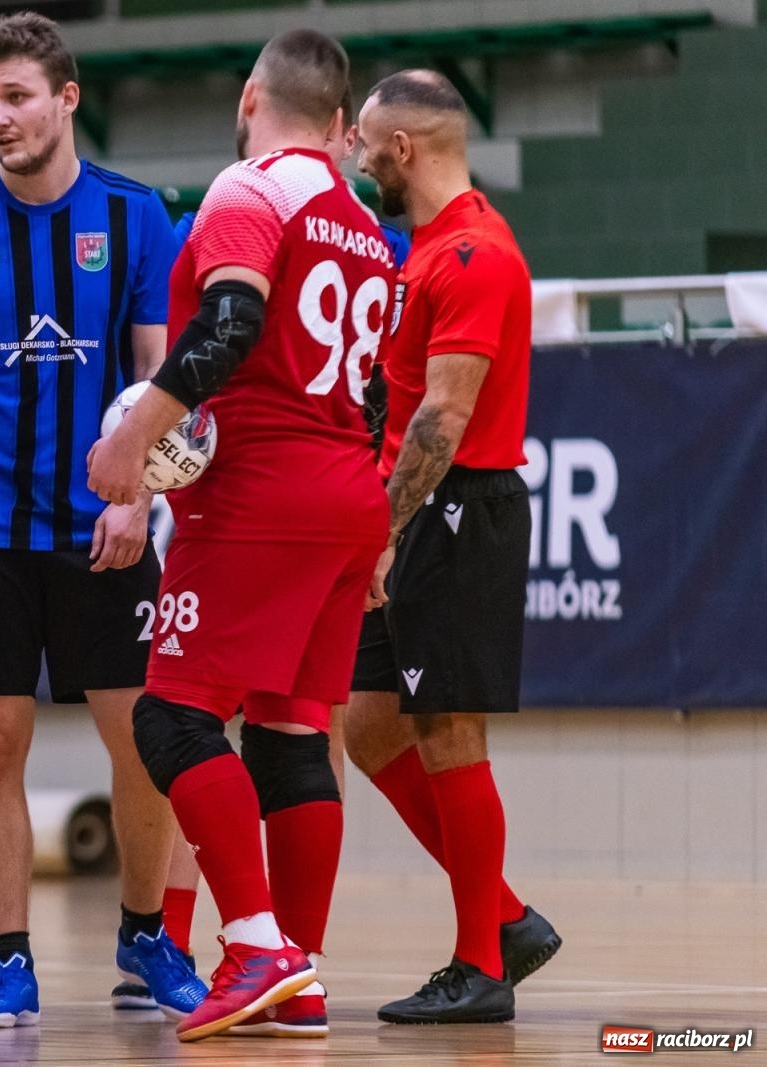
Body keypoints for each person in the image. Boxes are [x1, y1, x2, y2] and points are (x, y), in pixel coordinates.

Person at [0, 11, 204, 1028]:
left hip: (101, 527)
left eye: (16, 96)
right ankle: (11, 960)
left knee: (147, 740)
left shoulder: (133, 214)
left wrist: (139, 497)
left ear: (66, 99)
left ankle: (147, 935)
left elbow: (158, 376)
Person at [88, 29, 395, 1041]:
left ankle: (256, 944)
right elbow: (376, 389)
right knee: (290, 732)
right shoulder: (364, 222)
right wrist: (375, 518)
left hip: (260, 496)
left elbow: (229, 324)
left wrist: (133, 435)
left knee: (171, 719)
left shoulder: (249, 189)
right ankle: (296, 977)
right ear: (341, 122)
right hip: (345, 491)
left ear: (249, 96)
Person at [349, 68, 560, 1024]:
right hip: (416, 509)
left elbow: (443, 415)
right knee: (369, 725)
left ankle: (480, 964)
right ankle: (505, 915)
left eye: (367, 145)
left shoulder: (474, 253)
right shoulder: (427, 248)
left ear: (403, 147)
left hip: (458, 506)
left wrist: (383, 532)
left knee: (448, 730)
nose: (361, 161)